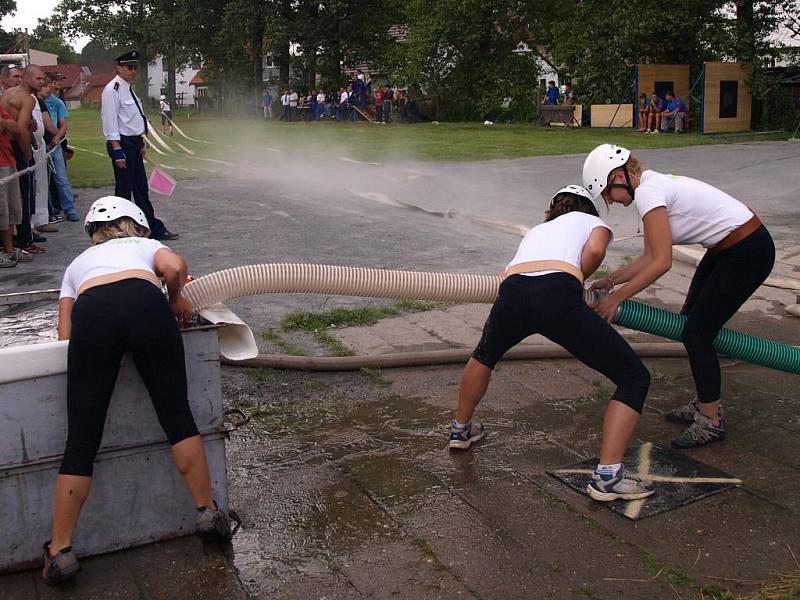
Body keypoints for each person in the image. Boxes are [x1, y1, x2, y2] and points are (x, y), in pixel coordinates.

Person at [43, 196, 233, 586]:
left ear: (93, 233)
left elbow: (64, 334)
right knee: (178, 417)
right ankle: (207, 511)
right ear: (137, 225)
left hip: (93, 314)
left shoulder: (76, 265)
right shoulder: (145, 246)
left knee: (81, 441)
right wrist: (176, 297)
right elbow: (176, 267)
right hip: (147, 307)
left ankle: (59, 551)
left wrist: (92, 352)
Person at [449, 184, 653, 503]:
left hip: (512, 292)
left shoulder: (537, 231)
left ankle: (461, 429)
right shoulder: (591, 222)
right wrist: (579, 278)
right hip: (557, 294)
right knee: (634, 378)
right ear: (588, 207)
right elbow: (596, 251)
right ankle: (608, 478)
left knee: (484, 355)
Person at [582, 144, 775, 448]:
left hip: (747, 251)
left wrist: (617, 299)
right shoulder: (650, 187)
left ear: (620, 175)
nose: (610, 200)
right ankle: (706, 402)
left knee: (697, 333)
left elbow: (661, 262)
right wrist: (609, 280)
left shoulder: (648, 193)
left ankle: (711, 420)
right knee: (691, 325)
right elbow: (650, 255)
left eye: (607, 192)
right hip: (729, 248)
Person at [101, 50, 177, 240]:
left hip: (134, 143)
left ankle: (150, 228)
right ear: (119, 67)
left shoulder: (128, 88)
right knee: (124, 190)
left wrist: (141, 142)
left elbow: (133, 120)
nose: (133, 71)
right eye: (129, 67)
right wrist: (118, 151)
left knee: (141, 189)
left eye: (135, 67)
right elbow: (110, 122)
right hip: (123, 144)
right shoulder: (112, 90)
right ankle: (118, 229)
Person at [0, 65, 41, 255]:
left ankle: (14, 239)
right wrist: (27, 153)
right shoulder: (27, 99)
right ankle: (24, 241)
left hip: (6, 145)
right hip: (14, 147)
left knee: (9, 198)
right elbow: (21, 129)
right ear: (27, 78)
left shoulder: (8, 93)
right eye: (38, 79)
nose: (42, 83)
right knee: (22, 196)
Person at [43, 74, 79, 222]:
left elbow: (63, 124)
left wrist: (58, 136)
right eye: (47, 84)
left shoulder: (57, 103)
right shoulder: (35, 102)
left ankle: (69, 208)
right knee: (43, 180)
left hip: (55, 144)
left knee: (61, 178)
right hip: (40, 144)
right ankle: (48, 210)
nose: (50, 87)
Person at [0, 96, 23, 267]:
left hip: (8, 160)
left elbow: (15, 128)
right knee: (1, 210)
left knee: (10, 208)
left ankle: (9, 250)